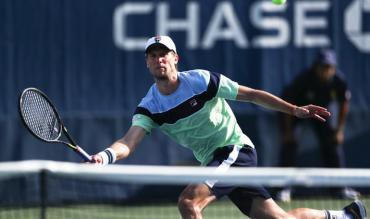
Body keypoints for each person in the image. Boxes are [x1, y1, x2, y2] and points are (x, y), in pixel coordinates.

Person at [91, 36, 366, 219]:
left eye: (164, 53)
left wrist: (294, 110)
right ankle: (343, 216)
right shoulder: (149, 106)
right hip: (215, 161)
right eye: (152, 55)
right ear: (147, 62)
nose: (158, 58)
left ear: (176, 58)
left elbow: (252, 94)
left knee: (188, 202)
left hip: (235, 150)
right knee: (280, 218)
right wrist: (105, 155)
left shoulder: (201, 81)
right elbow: (129, 141)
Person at [276, 49, 360, 202]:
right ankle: (283, 188)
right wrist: (288, 131)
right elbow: (288, 104)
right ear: (316, 67)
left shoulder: (339, 81)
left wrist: (339, 130)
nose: (326, 70)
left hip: (319, 114)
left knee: (333, 144)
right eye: (323, 66)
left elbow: (344, 103)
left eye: (329, 67)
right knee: (289, 144)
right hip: (296, 112)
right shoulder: (303, 79)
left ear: (334, 68)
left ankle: (339, 188)